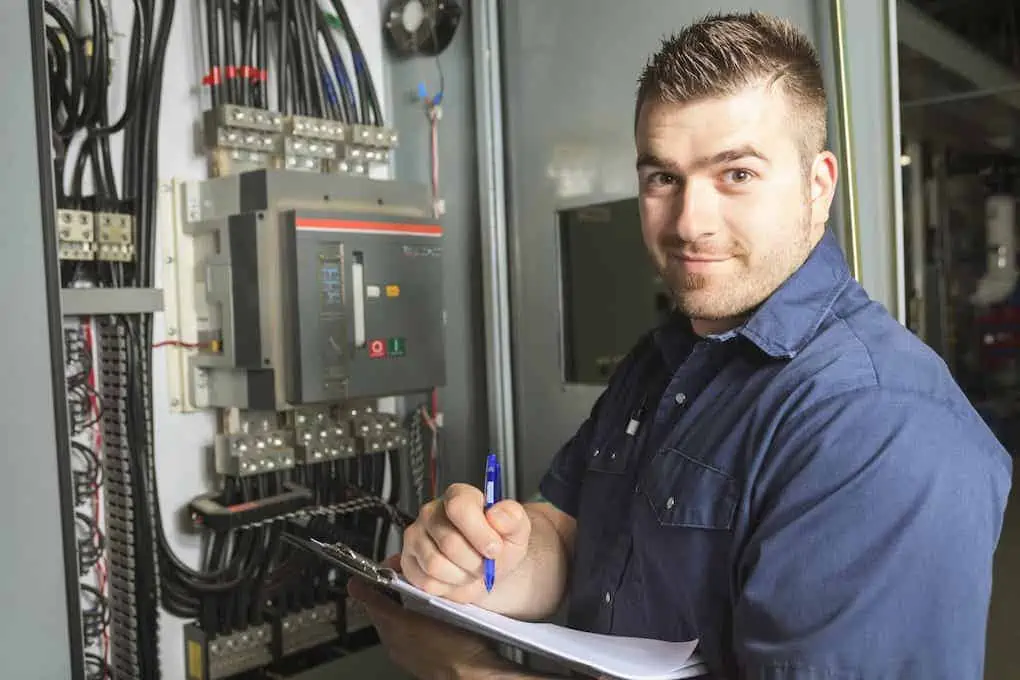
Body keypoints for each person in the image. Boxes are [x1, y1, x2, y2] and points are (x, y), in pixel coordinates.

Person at [349, 11, 1012, 679]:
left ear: (819, 186)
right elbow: (582, 539)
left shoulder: (878, 423)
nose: (690, 223)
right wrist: (494, 560)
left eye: (737, 175)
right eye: (663, 177)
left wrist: (462, 671)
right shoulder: (666, 359)